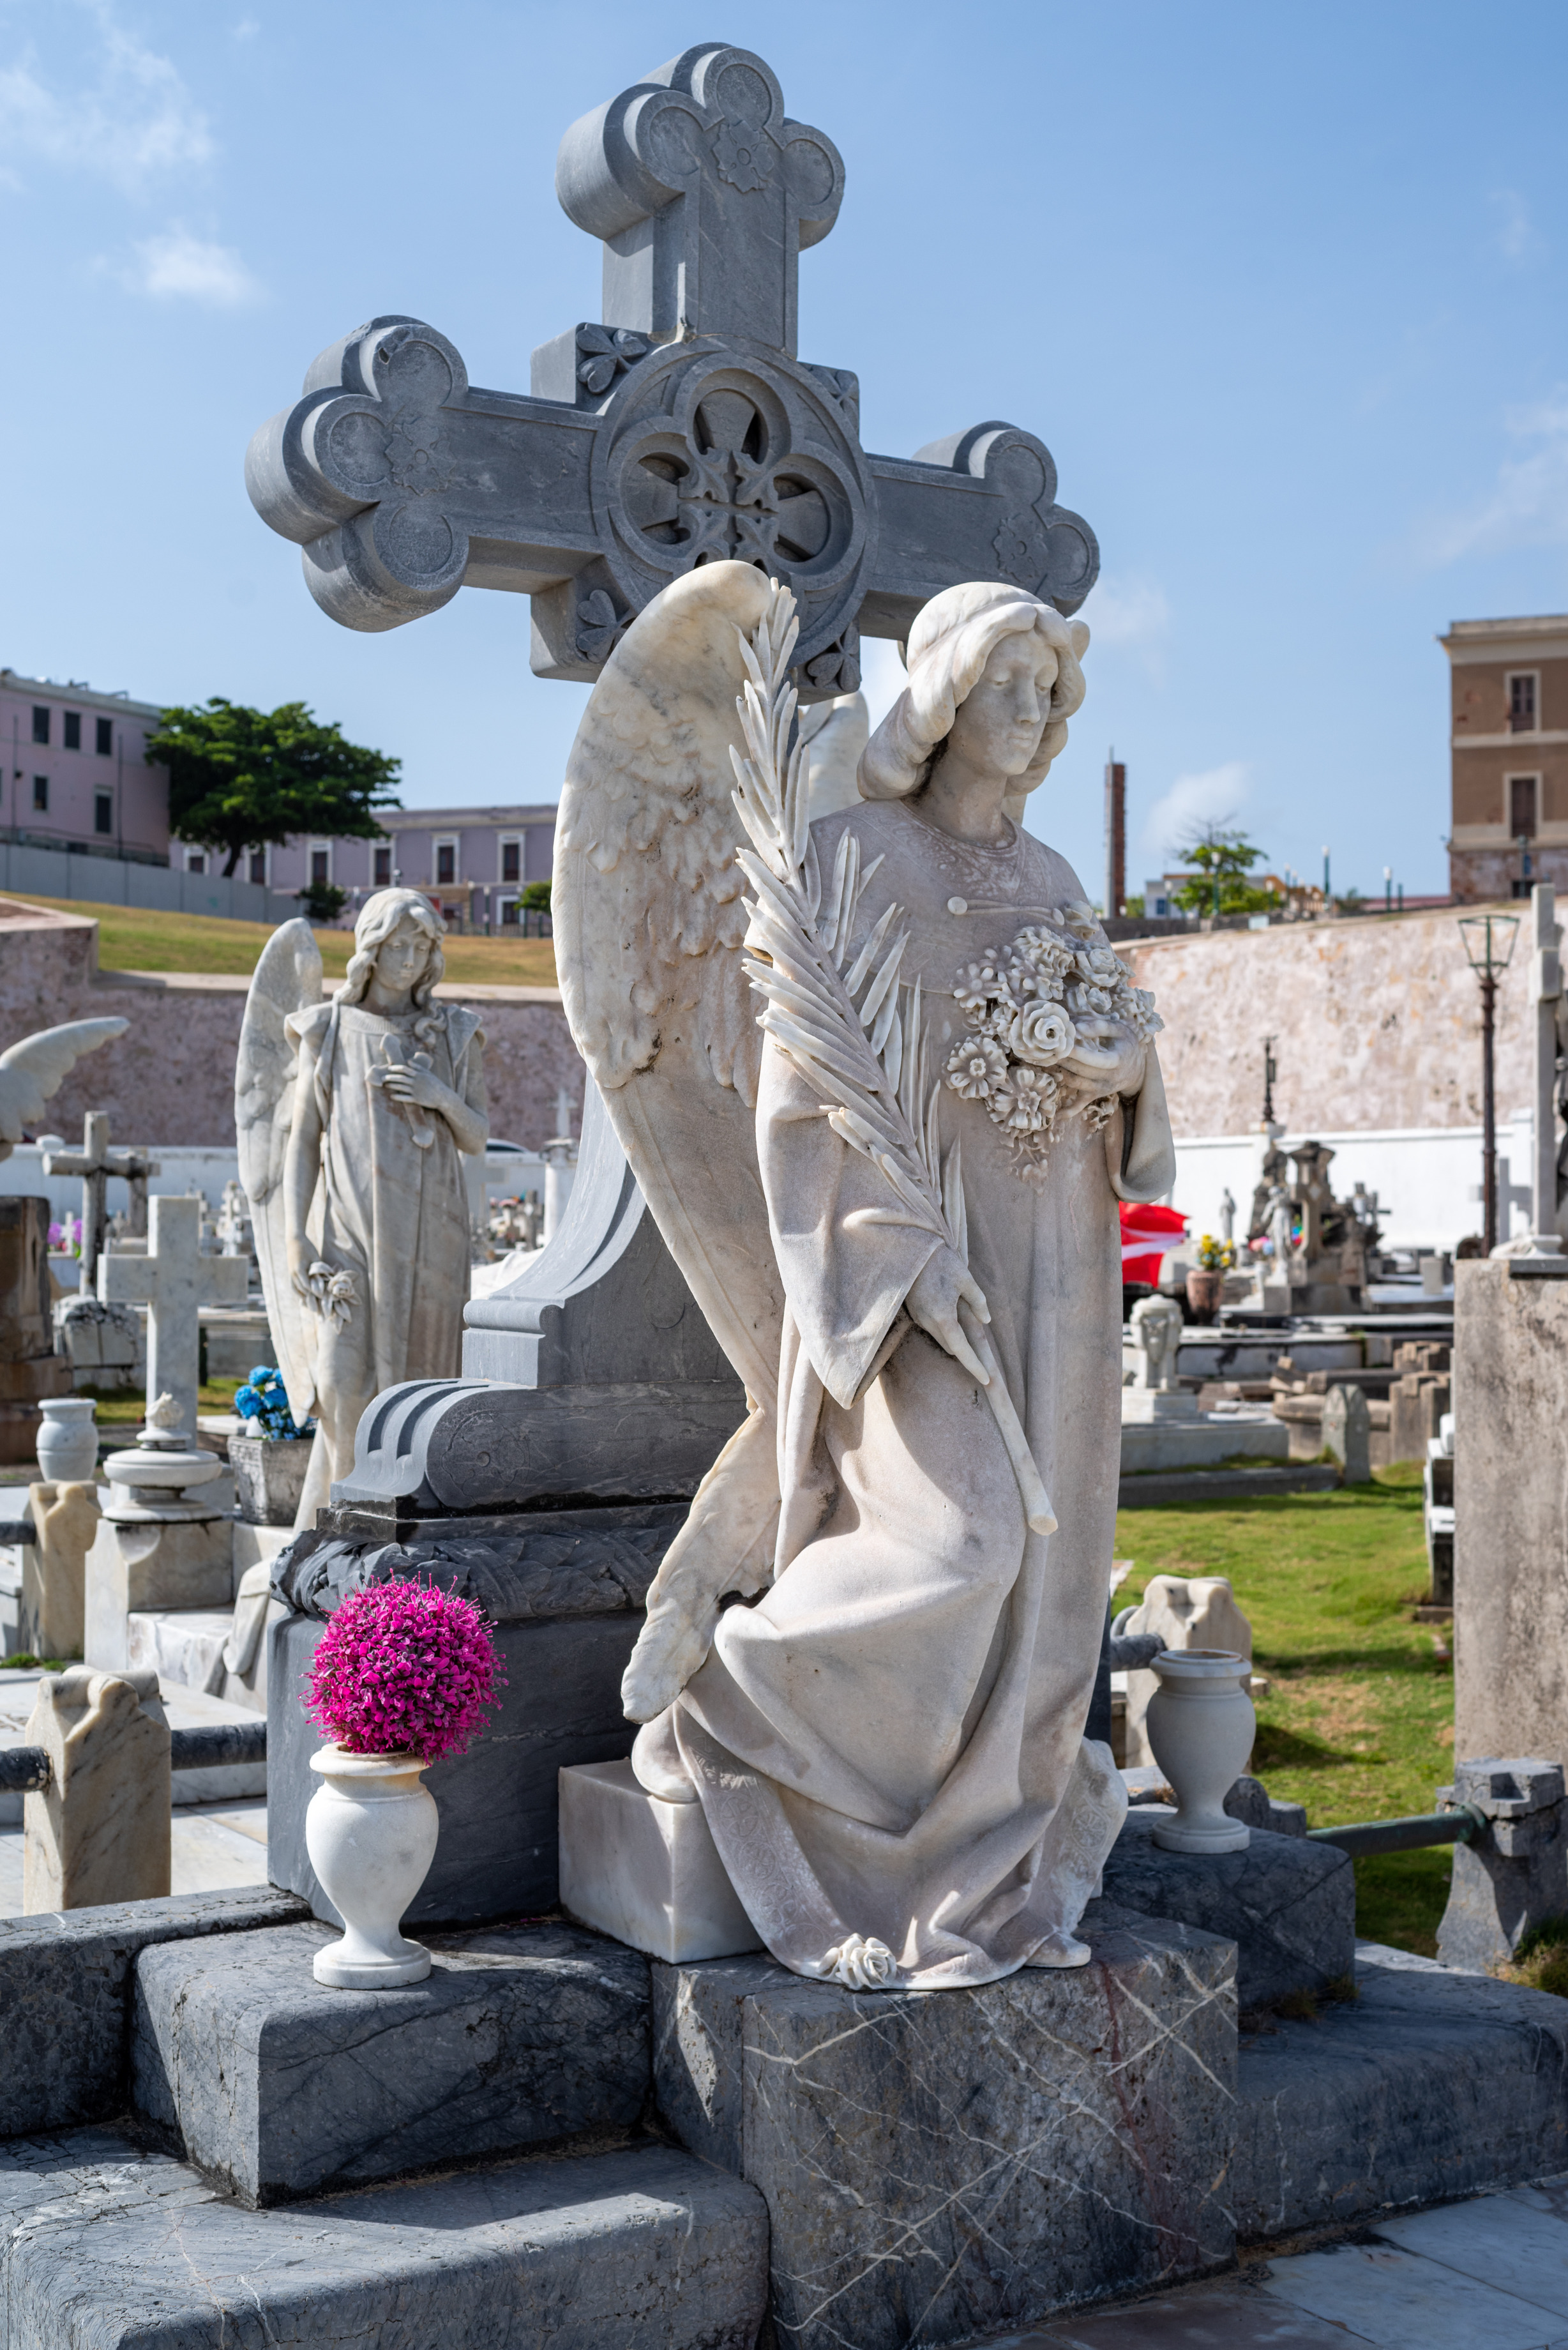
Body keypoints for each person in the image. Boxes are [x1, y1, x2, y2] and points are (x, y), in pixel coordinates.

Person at [628, 580, 1176, 1989]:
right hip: (917, 1269)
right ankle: (732, 1707)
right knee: (963, 1542)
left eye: (1055, 693)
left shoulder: (1055, 880)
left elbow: (1121, 1060)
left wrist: (1126, 1077)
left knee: (1050, 1584)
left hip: (1056, 1262)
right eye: (1011, 683)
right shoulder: (850, 857)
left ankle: (992, 1873)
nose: (1037, 713)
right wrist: (896, 1258)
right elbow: (799, 1096)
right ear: (938, 697)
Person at [282, 888, 486, 1524]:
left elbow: (477, 1135)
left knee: (426, 1387)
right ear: (369, 949)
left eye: (419, 945)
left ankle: (417, 1525)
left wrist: (439, 1095)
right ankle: (345, 1522)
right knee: (343, 1379)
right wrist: (295, 1237)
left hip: (434, 1238)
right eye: (395, 944)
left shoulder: (455, 1031)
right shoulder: (330, 1028)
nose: (405, 958)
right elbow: (303, 1141)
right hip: (351, 1239)